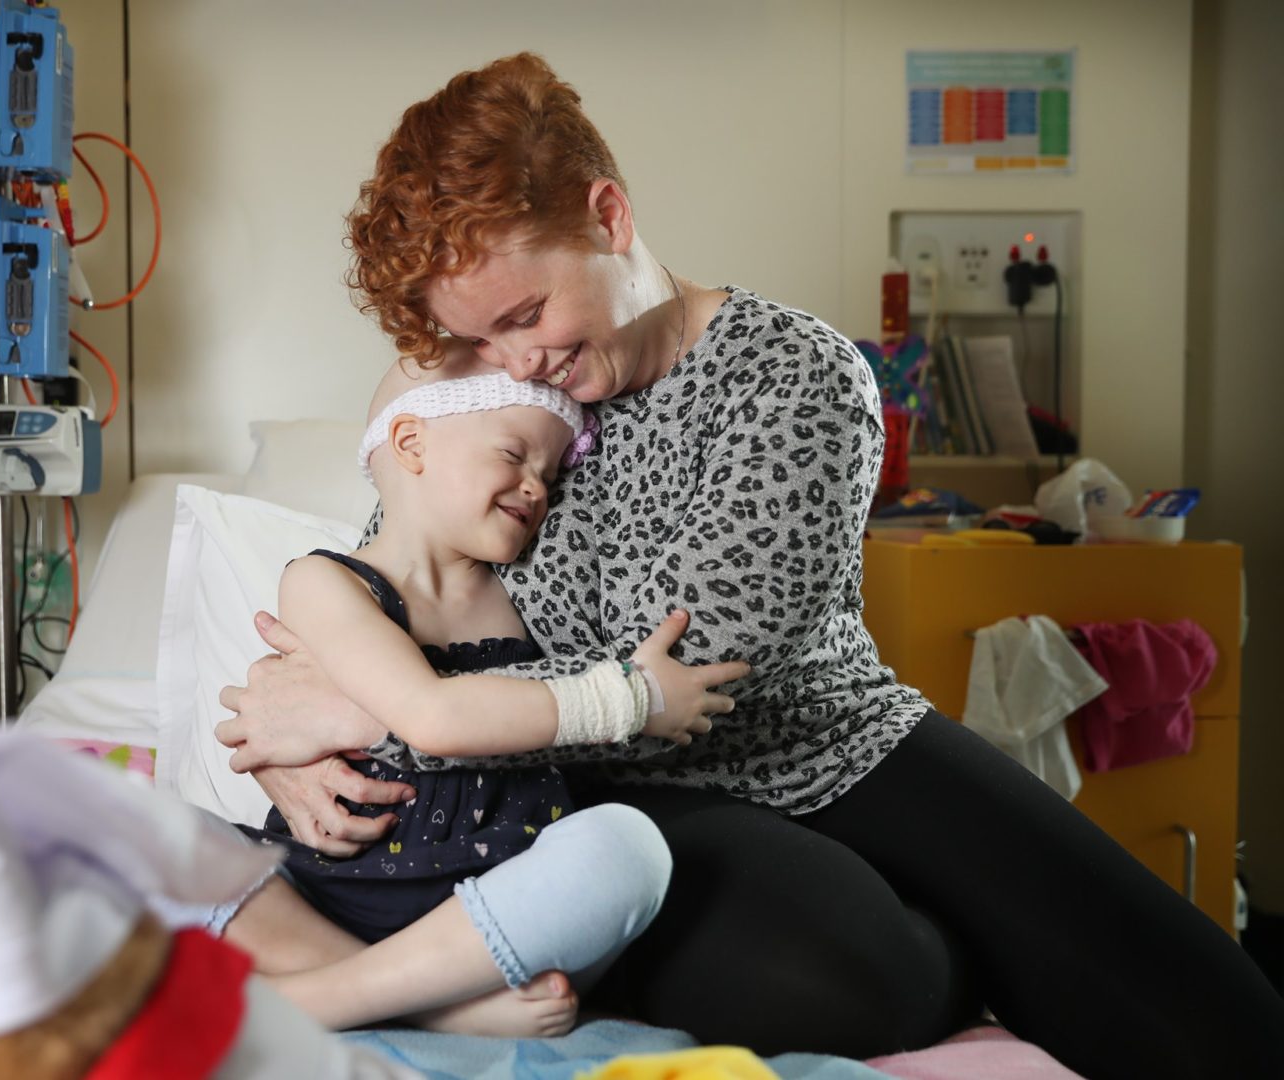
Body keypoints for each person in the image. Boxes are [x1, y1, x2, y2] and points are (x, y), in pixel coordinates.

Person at [216, 53, 1284, 1078]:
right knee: (865, 983)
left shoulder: (791, 376)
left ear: (608, 217)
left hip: (827, 743)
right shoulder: (492, 398)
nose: (515, 362)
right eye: (479, 342)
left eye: (526, 315)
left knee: (1216, 1026)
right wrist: (286, 741)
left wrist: (369, 712)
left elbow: (704, 667)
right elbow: (393, 592)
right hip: (585, 796)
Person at [223, 352, 746, 1037]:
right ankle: (423, 1008)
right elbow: (430, 717)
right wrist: (633, 700)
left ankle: (350, 998)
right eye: (513, 453)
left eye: (551, 474)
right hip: (325, 893)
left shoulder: (531, 595)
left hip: (493, 912)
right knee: (133, 827)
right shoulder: (328, 584)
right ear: (411, 442)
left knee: (630, 849)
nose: (536, 487)